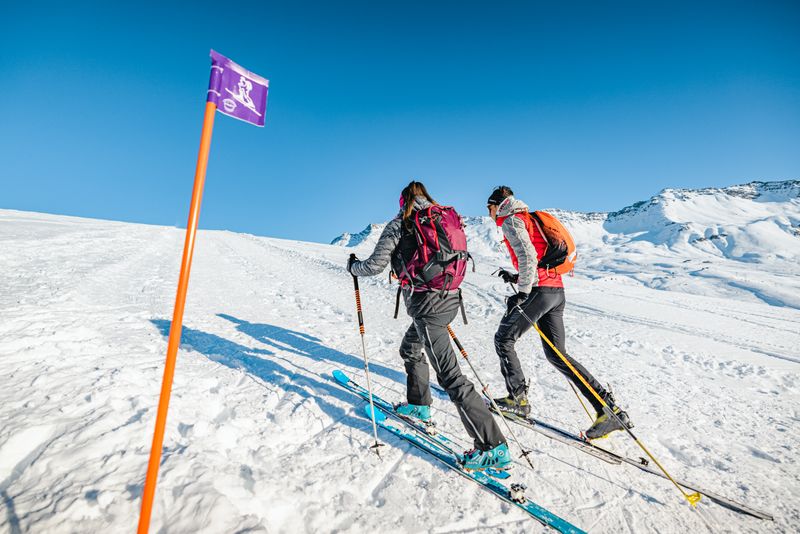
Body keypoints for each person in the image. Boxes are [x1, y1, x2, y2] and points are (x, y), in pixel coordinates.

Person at [348, 181, 510, 470]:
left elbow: (373, 266)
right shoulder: (443, 217)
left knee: (451, 378)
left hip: (427, 308)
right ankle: (419, 404)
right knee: (410, 348)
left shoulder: (401, 224)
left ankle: (493, 446)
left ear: (402, 201)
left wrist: (353, 267)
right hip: (449, 300)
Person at [486, 185, 632, 439]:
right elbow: (537, 257)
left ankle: (517, 401)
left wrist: (522, 290)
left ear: (497, 204)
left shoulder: (511, 221)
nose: (488, 213)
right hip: (555, 292)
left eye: (488, 207)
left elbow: (529, 257)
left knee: (504, 339)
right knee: (557, 355)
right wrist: (517, 276)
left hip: (539, 291)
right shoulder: (529, 219)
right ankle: (609, 409)